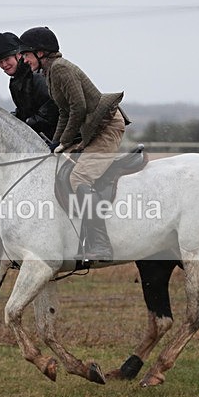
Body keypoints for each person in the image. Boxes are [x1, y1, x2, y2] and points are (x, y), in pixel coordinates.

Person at [19, 26, 128, 262]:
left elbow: (78, 108)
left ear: (40, 52)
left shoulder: (60, 69)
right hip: (93, 127)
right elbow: (64, 111)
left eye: (26, 54)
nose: (24, 60)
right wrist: (56, 142)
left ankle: (100, 243)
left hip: (107, 128)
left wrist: (65, 140)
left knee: (79, 178)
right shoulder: (49, 72)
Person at [0, 31, 59, 138]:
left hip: (60, 136)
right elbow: (24, 111)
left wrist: (24, 125)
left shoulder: (37, 76)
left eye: (7, 59)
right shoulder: (15, 81)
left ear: (19, 55)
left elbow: (51, 110)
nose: (4, 65)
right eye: (0, 62)